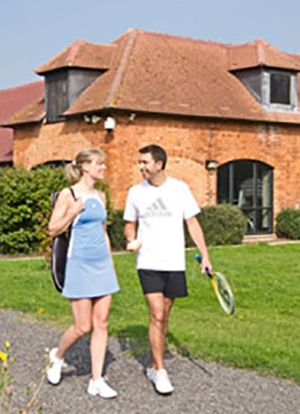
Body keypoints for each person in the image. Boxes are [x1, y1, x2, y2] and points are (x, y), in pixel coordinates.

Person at [123, 144, 211, 395]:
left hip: (174, 262)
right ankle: (160, 371)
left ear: (159, 164)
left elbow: (192, 222)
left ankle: (153, 362)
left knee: (165, 314)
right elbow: (130, 224)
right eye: (139, 162)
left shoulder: (179, 189)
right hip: (148, 261)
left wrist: (205, 255)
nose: (141, 167)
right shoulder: (135, 192)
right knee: (157, 313)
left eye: (145, 162)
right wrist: (131, 239)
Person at [46, 148, 120, 399]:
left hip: (102, 267)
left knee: (102, 323)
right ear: (86, 166)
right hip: (78, 264)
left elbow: (103, 232)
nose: (104, 169)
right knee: (82, 326)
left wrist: (111, 266)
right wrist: (73, 211)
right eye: (100, 164)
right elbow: (53, 229)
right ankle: (57, 357)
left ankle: (97, 380)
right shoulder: (68, 195)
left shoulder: (100, 195)